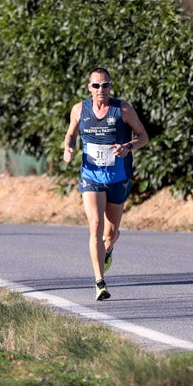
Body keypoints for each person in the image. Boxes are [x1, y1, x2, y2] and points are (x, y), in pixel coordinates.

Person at [62, 68, 148, 301]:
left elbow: (143, 136)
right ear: (89, 87)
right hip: (91, 176)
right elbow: (70, 135)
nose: (101, 90)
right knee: (96, 225)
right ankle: (100, 282)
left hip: (118, 177)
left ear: (111, 86)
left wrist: (127, 147)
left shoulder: (123, 109)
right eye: (96, 86)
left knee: (111, 233)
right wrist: (67, 148)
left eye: (105, 85)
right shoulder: (79, 109)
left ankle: (107, 249)